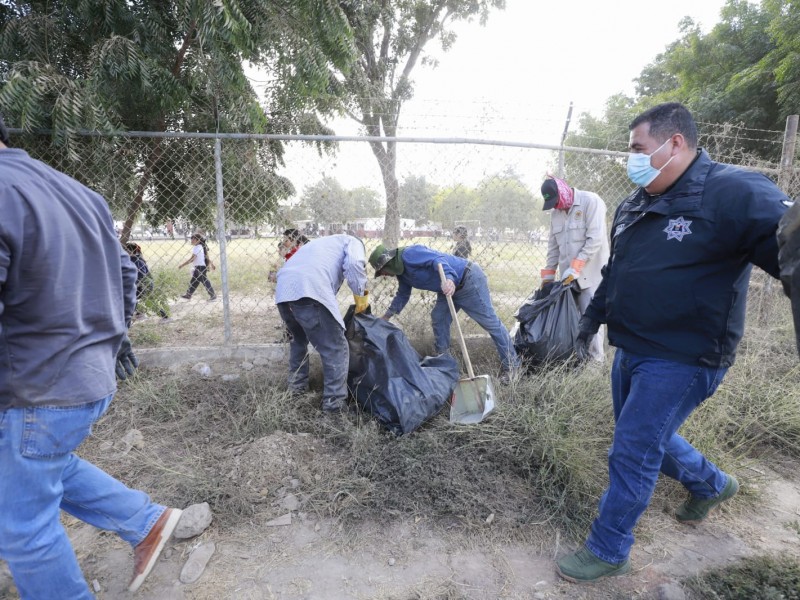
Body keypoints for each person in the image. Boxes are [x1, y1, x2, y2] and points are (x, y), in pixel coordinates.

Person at [555, 103, 793, 584]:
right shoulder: (636, 203)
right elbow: (616, 274)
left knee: (632, 448)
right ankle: (713, 484)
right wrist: (590, 323)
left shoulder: (733, 191)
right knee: (648, 439)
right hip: (634, 349)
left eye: (638, 148)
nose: (632, 159)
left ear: (675, 143)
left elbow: (791, 245)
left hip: (685, 355)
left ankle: (609, 547)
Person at [0, 113, 184, 598]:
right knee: (39, 460)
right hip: (88, 380)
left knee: (22, 528)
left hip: (33, 391)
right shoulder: (79, 192)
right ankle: (145, 521)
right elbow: (126, 272)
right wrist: (113, 336)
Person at [369, 243, 521, 382]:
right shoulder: (402, 273)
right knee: (439, 318)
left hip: (467, 281)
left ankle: (513, 368)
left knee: (491, 323)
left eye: (382, 271)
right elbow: (403, 294)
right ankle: (446, 364)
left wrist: (448, 279)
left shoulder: (409, 254)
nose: (383, 275)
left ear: (387, 262)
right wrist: (386, 316)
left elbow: (438, 260)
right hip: (447, 289)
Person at [275, 234, 369, 413]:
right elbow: (355, 264)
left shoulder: (323, 243)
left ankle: (296, 392)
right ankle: (334, 407)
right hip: (309, 289)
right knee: (336, 348)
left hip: (284, 292)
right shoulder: (353, 242)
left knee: (298, 342)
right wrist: (361, 299)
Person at [539, 175, 610, 362]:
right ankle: (578, 359)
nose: (557, 207)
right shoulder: (556, 214)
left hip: (591, 276)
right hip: (568, 279)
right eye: (553, 204)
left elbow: (595, 239)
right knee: (573, 319)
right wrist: (547, 277)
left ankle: (595, 364)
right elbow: (553, 247)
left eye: (557, 202)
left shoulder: (591, 202)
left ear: (563, 191)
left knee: (591, 319)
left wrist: (576, 267)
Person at [125, 242, 170, 320]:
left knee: (144, 300)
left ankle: (164, 316)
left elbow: (141, 275)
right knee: (134, 299)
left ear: (130, 251)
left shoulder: (135, 260)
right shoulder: (135, 259)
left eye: (125, 250)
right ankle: (139, 314)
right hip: (142, 284)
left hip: (144, 285)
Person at [178, 233, 217, 300]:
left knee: (205, 282)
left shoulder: (196, 248)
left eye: (194, 239)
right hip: (199, 268)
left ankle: (213, 295)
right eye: (191, 239)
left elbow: (192, 259)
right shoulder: (201, 247)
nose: (192, 240)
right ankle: (188, 294)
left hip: (200, 268)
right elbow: (206, 257)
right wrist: (212, 264)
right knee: (194, 282)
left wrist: (182, 265)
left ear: (198, 240)